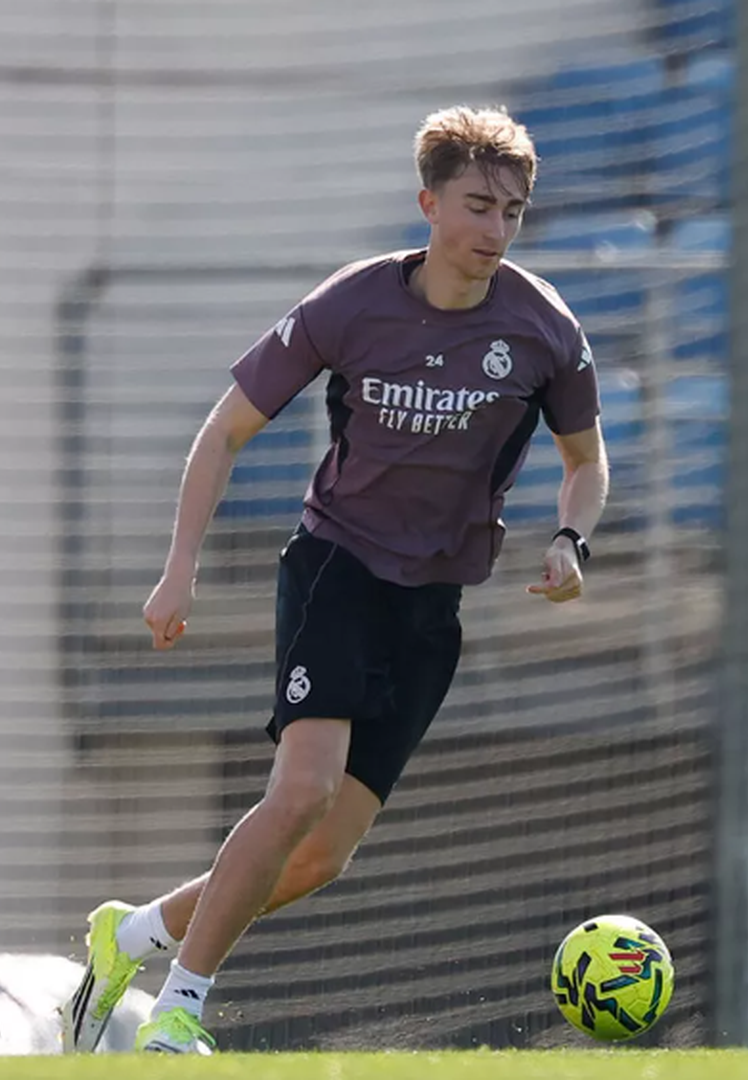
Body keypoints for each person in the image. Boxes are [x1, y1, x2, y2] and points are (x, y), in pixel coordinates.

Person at [59, 104, 608, 1056]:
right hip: (336, 570)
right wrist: (179, 567)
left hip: (434, 606)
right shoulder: (352, 303)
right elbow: (225, 430)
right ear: (428, 202)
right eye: (478, 205)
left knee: (319, 856)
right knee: (300, 791)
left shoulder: (543, 326)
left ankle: (135, 936)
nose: (494, 229)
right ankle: (182, 1006)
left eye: (512, 212)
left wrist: (571, 540)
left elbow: (586, 461)